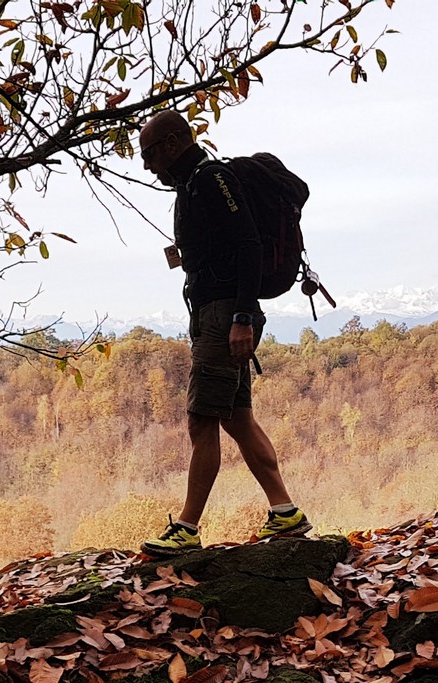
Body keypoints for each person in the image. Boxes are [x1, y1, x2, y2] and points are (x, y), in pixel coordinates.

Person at [135, 110, 310, 556]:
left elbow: (249, 244)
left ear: (173, 143)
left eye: (149, 153)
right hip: (216, 312)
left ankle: (188, 528)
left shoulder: (212, 180)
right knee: (236, 417)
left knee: (202, 419)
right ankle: (285, 512)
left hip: (224, 315)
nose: (146, 164)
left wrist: (243, 317)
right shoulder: (193, 185)